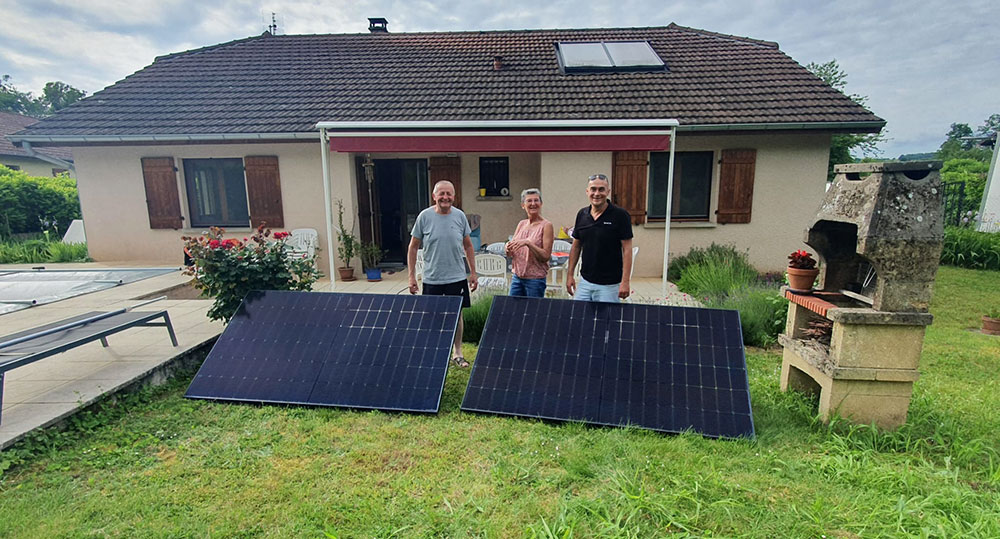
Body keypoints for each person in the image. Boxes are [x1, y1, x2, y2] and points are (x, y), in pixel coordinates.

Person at [408, 180, 479, 367]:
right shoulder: (424, 217)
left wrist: (473, 273)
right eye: (441, 194)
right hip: (432, 278)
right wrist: (411, 276)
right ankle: (435, 353)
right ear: (434, 196)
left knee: (457, 315)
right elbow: (413, 247)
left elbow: (468, 246)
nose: (445, 197)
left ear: (454, 197)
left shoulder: (460, 216)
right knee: (432, 316)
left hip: (456, 277)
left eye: (449, 194)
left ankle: (458, 353)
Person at [565, 173, 633, 302]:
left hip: (609, 285)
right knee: (578, 319)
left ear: (608, 192)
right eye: (593, 189)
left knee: (606, 321)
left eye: (601, 189)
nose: (597, 193)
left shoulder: (620, 215)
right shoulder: (582, 214)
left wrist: (625, 282)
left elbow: (627, 249)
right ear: (587, 191)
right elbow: (576, 246)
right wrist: (570, 275)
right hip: (585, 282)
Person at [505, 188, 554, 298]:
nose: (533, 204)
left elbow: (546, 256)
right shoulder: (521, 224)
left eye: (536, 200)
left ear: (541, 203)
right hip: (517, 278)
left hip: (535, 280)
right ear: (523, 205)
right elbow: (512, 253)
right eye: (529, 201)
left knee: (533, 314)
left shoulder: (546, 226)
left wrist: (529, 243)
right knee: (512, 312)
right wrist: (508, 248)